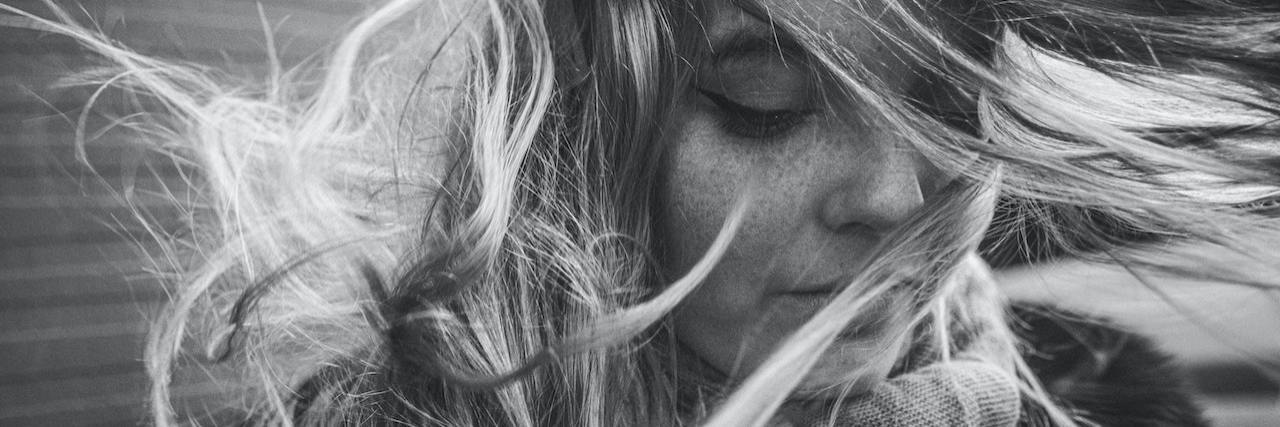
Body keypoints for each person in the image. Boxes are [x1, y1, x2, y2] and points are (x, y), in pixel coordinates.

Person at [8, 0, 1279, 425]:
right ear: (587, 138)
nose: (897, 194)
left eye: (949, 106)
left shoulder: (1106, 395)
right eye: (765, 98)